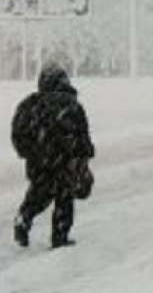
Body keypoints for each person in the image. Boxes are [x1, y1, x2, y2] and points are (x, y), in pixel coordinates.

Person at [11, 63, 95, 248]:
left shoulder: (29, 105)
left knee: (38, 195)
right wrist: (84, 156)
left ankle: (24, 219)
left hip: (38, 164)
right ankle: (60, 237)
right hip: (65, 163)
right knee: (64, 199)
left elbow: (18, 135)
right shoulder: (71, 105)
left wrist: (31, 153)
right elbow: (82, 136)